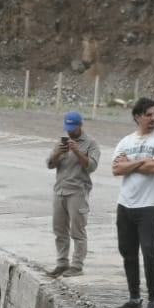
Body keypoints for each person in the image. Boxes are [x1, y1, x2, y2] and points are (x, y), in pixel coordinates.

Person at [110, 97, 154, 308]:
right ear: (137, 117)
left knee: (148, 251)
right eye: (148, 115)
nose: (153, 118)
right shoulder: (126, 141)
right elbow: (116, 169)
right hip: (126, 204)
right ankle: (134, 297)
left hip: (150, 205)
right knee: (127, 252)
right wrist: (140, 162)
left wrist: (131, 164)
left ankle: (153, 300)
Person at [47, 111, 101, 278]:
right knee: (59, 230)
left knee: (77, 231)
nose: (69, 132)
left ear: (80, 125)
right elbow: (49, 164)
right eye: (67, 128)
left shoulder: (91, 144)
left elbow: (91, 166)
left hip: (78, 191)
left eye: (73, 128)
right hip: (60, 191)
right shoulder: (60, 143)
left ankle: (77, 265)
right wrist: (58, 153)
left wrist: (77, 151)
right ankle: (62, 263)